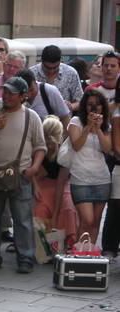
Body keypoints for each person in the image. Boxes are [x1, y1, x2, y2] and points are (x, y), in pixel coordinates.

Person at [0, 77, 47, 274]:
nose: (6, 96)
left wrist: (34, 168)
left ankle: (25, 257)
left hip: (20, 174)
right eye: (5, 91)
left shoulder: (31, 117)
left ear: (23, 96)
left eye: (11, 93)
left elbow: (40, 147)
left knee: (23, 219)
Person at [67, 89, 112, 244]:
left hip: (101, 179)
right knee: (87, 219)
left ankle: (91, 255)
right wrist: (87, 127)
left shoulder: (106, 126)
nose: (94, 108)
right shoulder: (75, 122)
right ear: (84, 106)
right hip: (80, 178)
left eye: (98, 105)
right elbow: (76, 145)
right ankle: (80, 253)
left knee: (95, 222)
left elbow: (107, 149)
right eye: (90, 104)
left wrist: (98, 128)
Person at [33, 116, 77, 245]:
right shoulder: (38, 147)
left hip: (63, 183)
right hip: (44, 181)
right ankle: (41, 245)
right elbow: (33, 172)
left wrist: (56, 214)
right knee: (40, 208)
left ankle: (67, 242)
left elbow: (60, 184)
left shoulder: (65, 152)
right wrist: (35, 186)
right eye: (46, 142)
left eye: (51, 143)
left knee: (68, 207)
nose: (49, 146)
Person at [30, 45, 83, 112]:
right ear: (42, 61)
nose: (51, 71)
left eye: (55, 67)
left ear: (60, 61)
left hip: (63, 120)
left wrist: (71, 106)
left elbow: (81, 101)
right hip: (38, 120)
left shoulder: (71, 73)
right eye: (47, 68)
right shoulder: (32, 73)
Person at [102, 78, 120, 260]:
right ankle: (109, 247)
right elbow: (116, 147)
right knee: (115, 208)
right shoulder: (115, 111)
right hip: (118, 166)